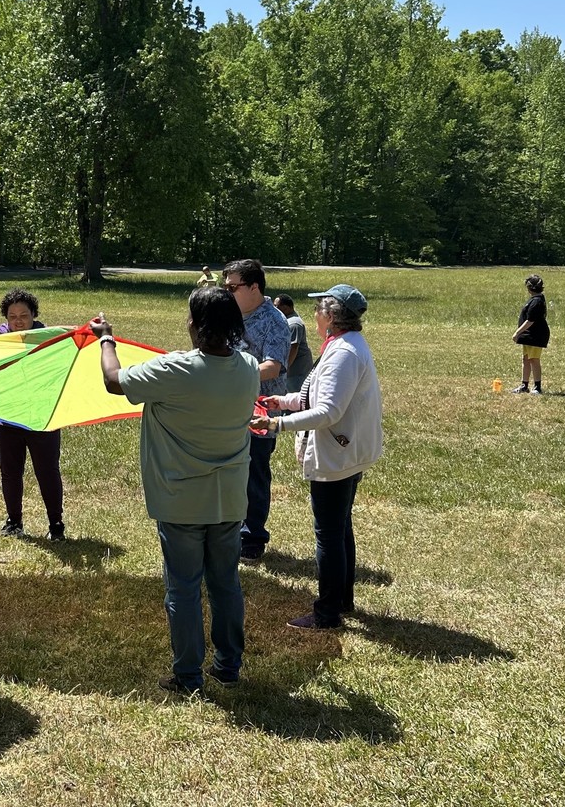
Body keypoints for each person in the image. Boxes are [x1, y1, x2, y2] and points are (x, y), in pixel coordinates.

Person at [91, 288, 260, 694]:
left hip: (181, 501)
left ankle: (188, 675)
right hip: (230, 498)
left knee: (183, 588)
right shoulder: (249, 367)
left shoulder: (174, 370)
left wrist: (106, 337)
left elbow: (114, 381)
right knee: (226, 583)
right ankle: (228, 665)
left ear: (195, 325)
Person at [253, 284, 383, 630]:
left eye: (318, 310)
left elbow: (327, 410)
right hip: (346, 451)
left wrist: (277, 423)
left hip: (337, 455)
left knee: (328, 533)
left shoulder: (343, 353)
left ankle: (327, 613)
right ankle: (341, 600)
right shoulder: (342, 346)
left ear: (330, 315)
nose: (314, 315)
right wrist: (286, 401)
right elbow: (319, 394)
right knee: (339, 529)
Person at [222, 259, 291, 563]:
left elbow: (273, 366)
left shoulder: (274, 321)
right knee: (229, 471)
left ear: (253, 287)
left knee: (254, 473)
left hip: (259, 412)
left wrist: (236, 373)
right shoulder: (230, 315)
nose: (227, 292)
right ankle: (230, 531)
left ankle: (252, 539)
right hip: (228, 407)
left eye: (232, 287)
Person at [0, 288, 65, 541]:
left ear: (34, 314)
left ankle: (56, 524)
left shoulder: (49, 339)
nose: (18, 321)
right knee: (10, 471)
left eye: (24, 315)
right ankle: (14, 521)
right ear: (6, 319)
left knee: (47, 470)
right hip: (7, 415)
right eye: (12, 316)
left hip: (42, 415)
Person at [511, 274, 549, 394]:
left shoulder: (536, 302)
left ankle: (537, 387)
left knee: (534, 360)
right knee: (526, 359)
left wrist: (517, 332)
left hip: (536, 336)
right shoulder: (535, 299)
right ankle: (524, 385)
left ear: (530, 288)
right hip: (529, 336)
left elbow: (530, 320)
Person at [274, 294, 314, 393]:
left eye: (276, 306)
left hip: (297, 371)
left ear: (286, 308)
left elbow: (293, 348)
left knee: (296, 398)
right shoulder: (287, 320)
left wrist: (284, 369)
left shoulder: (294, 324)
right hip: (292, 372)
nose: (274, 309)